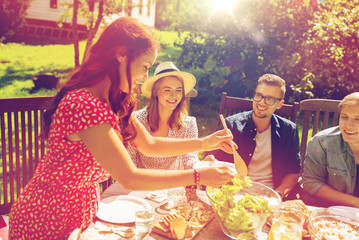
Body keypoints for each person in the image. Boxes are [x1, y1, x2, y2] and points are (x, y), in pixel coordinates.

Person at [8, 17, 235, 239]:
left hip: (78, 212)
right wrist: (197, 176)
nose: (145, 77)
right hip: (47, 215)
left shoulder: (115, 100)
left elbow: (150, 144)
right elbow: (129, 178)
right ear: (121, 54)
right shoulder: (83, 104)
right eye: (145, 66)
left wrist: (205, 142)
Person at [211, 74, 301, 198]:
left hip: (270, 196)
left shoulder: (289, 130)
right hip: (233, 194)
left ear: (280, 104)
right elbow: (214, 165)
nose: (261, 102)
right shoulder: (231, 126)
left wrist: (277, 195)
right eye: (259, 96)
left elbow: (293, 171)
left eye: (269, 99)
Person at [128, 61, 214, 169]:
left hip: (174, 183)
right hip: (142, 182)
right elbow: (130, 158)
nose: (173, 96)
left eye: (178, 90)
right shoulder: (137, 120)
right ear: (156, 92)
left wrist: (202, 164)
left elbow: (189, 159)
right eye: (167, 90)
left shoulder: (188, 123)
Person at [301, 92, 359, 207]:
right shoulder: (322, 142)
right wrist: (355, 202)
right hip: (329, 211)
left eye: (358, 119)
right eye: (344, 117)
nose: (348, 125)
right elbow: (311, 183)